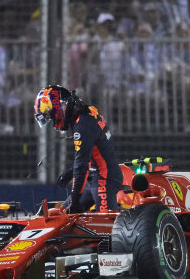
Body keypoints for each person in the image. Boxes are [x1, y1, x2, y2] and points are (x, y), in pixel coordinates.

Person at [34, 85, 123, 213]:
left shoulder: (82, 126)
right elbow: (89, 155)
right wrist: (70, 172)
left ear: (58, 109)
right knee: (62, 216)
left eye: (50, 116)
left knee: (105, 226)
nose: (53, 123)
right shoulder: (86, 113)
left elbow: (82, 166)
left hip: (105, 179)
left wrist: (75, 201)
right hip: (94, 177)